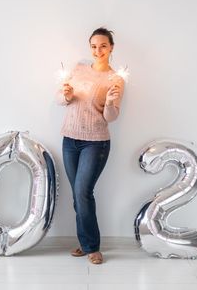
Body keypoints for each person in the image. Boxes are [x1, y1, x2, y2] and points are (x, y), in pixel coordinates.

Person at [56, 27, 125, 264]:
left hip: (95, 143)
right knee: (78, 196)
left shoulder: (114, 79)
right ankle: (86, 243)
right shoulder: (78, 69)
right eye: (94, 46)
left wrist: (109, 103)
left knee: (83, 193)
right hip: (69, 140)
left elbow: (111, 117)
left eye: (103, 46)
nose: (98, 50)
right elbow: (59, 99)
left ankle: (92, 247)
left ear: (111, 47)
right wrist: (64, 95)